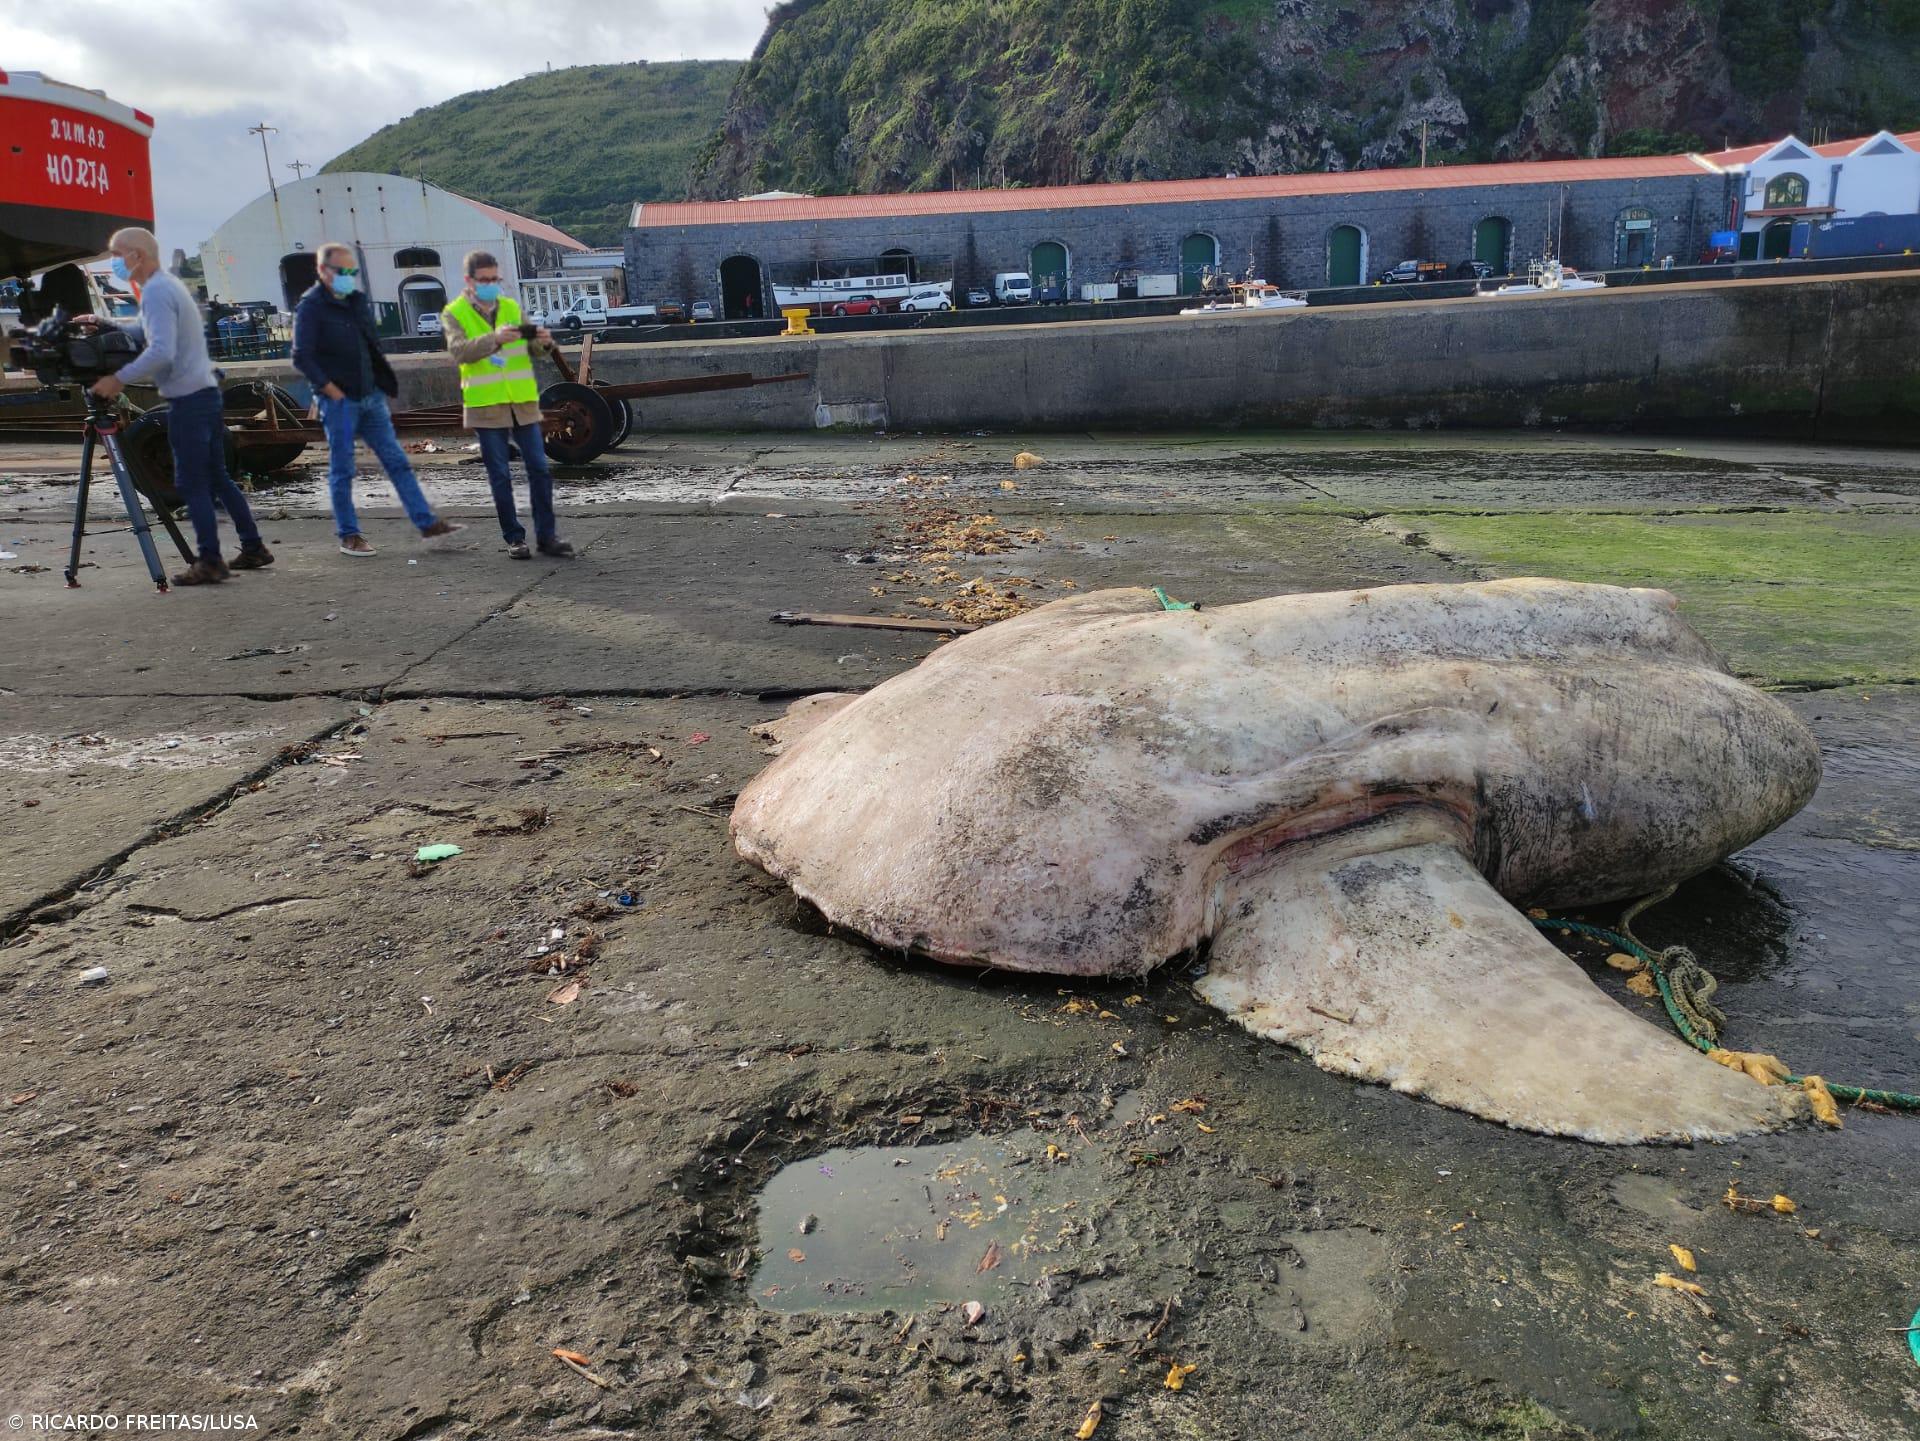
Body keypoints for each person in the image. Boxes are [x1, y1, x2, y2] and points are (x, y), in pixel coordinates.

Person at [91, 227, 272, 585]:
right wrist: (104, 322)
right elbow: (145, 329)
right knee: (218, 478)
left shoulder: (158, 290)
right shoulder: (164, 288)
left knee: (191, 483)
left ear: (137, 256)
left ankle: (210, 561)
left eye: (117, 253)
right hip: (203, 395)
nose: (114, 261)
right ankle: (253, 547)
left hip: (189, 401)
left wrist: (117, 379)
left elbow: (161, 350)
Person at [292, 241, 462, 557]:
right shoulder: (311, 307)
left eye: (351, 271)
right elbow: (302, 356)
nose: (348, 277)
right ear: (322, 271)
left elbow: (370, 346)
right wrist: (329, 389)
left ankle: (427, 523)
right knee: (342, 467)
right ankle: (349, 535)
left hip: (371, 396)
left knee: (397, 461)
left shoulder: (356, 301)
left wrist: (379, 385)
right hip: (339, 401)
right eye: (342, 271)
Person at [441, 250, 573, 560]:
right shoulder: (454, 312)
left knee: (540, 469)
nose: (490, 284)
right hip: (486, 407)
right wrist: (495, 339)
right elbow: (459, 352)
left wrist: (543, 342)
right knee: (499, 475)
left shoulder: (512, 306)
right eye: (484, 280)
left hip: (522, 402)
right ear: (469, 281)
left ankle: (547, 538)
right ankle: (514, 538)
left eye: (494, 279)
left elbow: (534, 350)